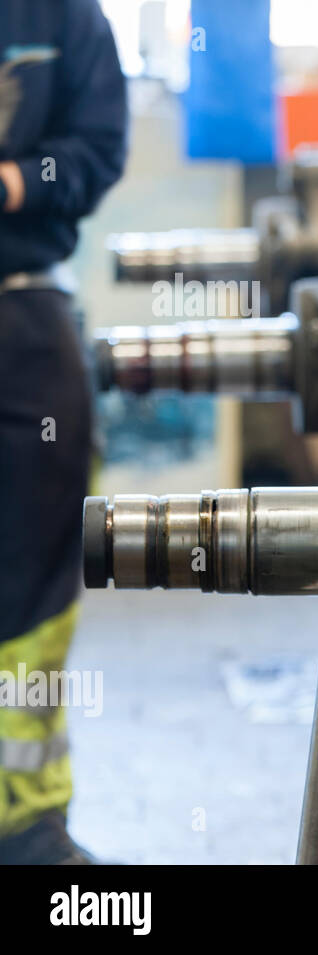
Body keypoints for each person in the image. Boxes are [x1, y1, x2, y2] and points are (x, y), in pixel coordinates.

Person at [0, 0, 127, 863]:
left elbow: (97, 147)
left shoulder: (61, 14)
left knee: (37, 581)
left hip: (23, 302)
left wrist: (12, 181)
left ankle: (24, 818)